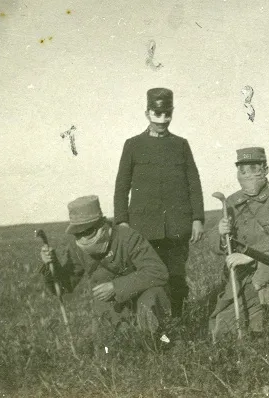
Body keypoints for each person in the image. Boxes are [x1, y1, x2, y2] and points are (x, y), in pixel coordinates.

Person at [114, 87, 204, 319]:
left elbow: (194, 183)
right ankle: (150, 324)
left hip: (177, 227)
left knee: (176, 276)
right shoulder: (133, 145)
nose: (162, 120)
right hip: (144, 227)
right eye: (157, 114)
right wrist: (122, 222)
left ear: (172, 113)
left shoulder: (181, 145)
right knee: (148, 276)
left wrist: (197, 219)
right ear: (147, 113)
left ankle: (178, 322)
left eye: (167, 114)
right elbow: (121, 187)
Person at [39, 195, 171, 335]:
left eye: (88, 231)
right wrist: (49, 266)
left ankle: (159, 345)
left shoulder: (127, 237)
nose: (83, 238)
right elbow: (63, 287)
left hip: (143, 294)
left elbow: (158, 272)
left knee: (149, 315)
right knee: (104, 343)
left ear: (101, 223)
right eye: (78, 233)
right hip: (112, 306)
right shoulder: (77, 248)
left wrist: (116, 287)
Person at [208, 147, 269, 341]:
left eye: (253, 169)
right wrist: (221, 233)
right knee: (223, 329)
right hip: (245, 274)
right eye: (242, 171)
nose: (247, 175)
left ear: (265, 170)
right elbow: (216, 247)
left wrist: (251, 255)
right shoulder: (231, 202)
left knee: (265, 324)